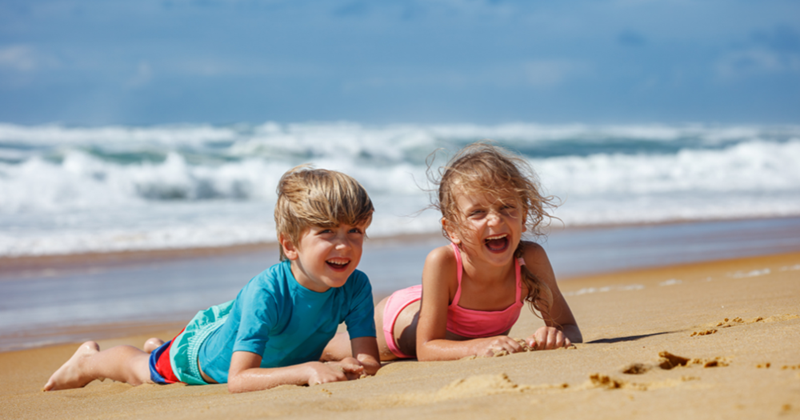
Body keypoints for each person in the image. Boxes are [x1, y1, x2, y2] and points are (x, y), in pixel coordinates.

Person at [44, 166, 381, 393]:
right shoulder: (267, 292)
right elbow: (238, 379)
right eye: (326, 232)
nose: (345, 245)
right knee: (141, 370)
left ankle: (157, 345)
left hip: (238, 328)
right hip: (201, 356)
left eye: (356, 231)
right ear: (290, 245)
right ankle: (90, 360)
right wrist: (307, 370)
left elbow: (368, 359)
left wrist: (357, 364)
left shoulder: (356, 286)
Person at [323, 142, 581, 362]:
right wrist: (479, 345)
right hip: (398, 322)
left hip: (434, 301)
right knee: (325, 349)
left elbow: (570, 328)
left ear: (523, 217)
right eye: (478, 212)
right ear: (453, 229)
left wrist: (554, 335)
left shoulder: (530, 260)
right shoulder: (442, 261)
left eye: (507, 207)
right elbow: (426, 349)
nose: (495, 220)